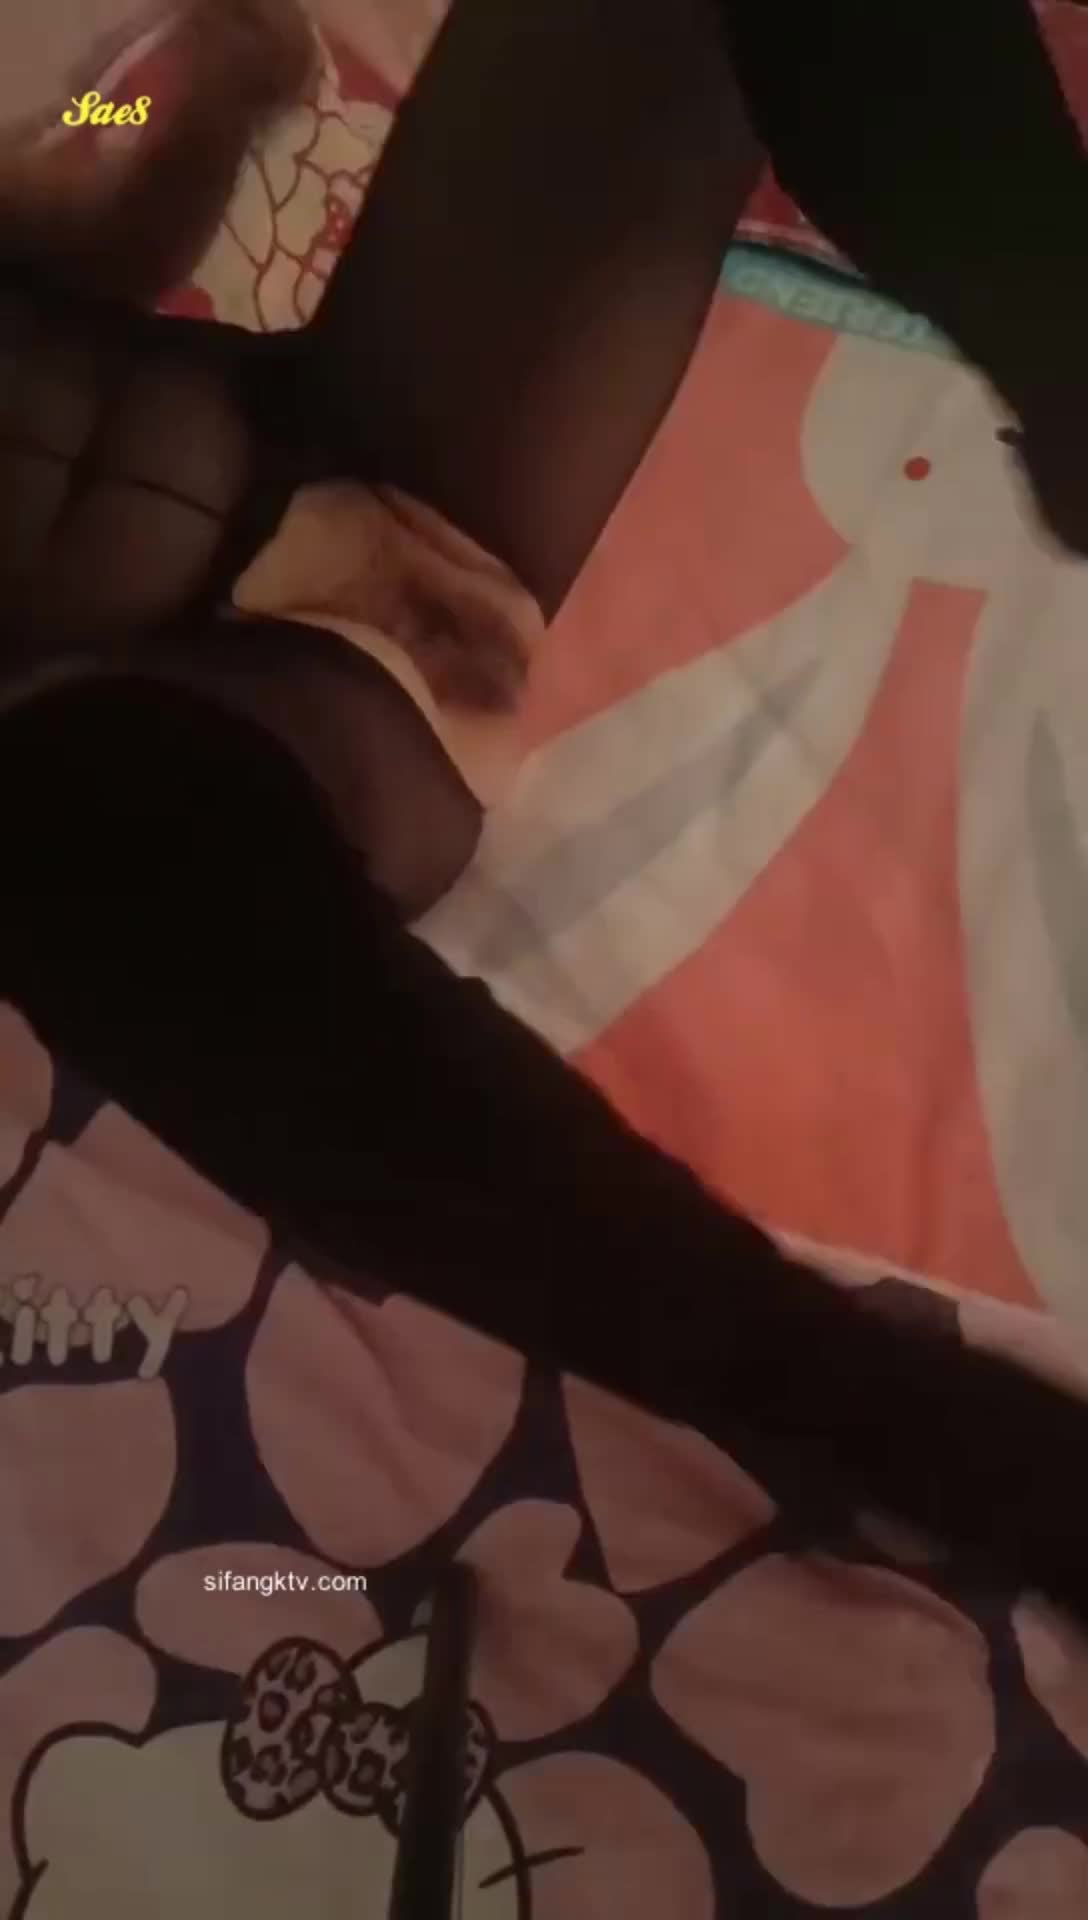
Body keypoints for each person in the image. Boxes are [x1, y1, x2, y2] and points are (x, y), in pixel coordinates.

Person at [3, 0, 1088, 1618]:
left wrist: (149, 93)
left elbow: (82, 175)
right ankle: (880, 1414)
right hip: (269, 740)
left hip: (349, 462)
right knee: (65, 847)